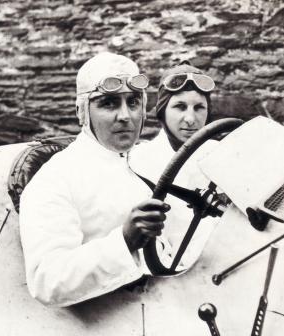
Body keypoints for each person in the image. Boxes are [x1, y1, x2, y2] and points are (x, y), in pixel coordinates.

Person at [19, 52, 171, 307]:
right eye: (109, 103)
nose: (125, 116)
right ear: (82, 112)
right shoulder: (56, 178)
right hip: (99, 333)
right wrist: (124, 241)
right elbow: (46, 281)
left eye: (133, 102)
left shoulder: (150, 163)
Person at [129, 62, 220, 267]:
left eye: (199, 108)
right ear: (162, 110)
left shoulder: (222, 154)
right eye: (180, 107)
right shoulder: (138, 161)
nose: (190, 119)